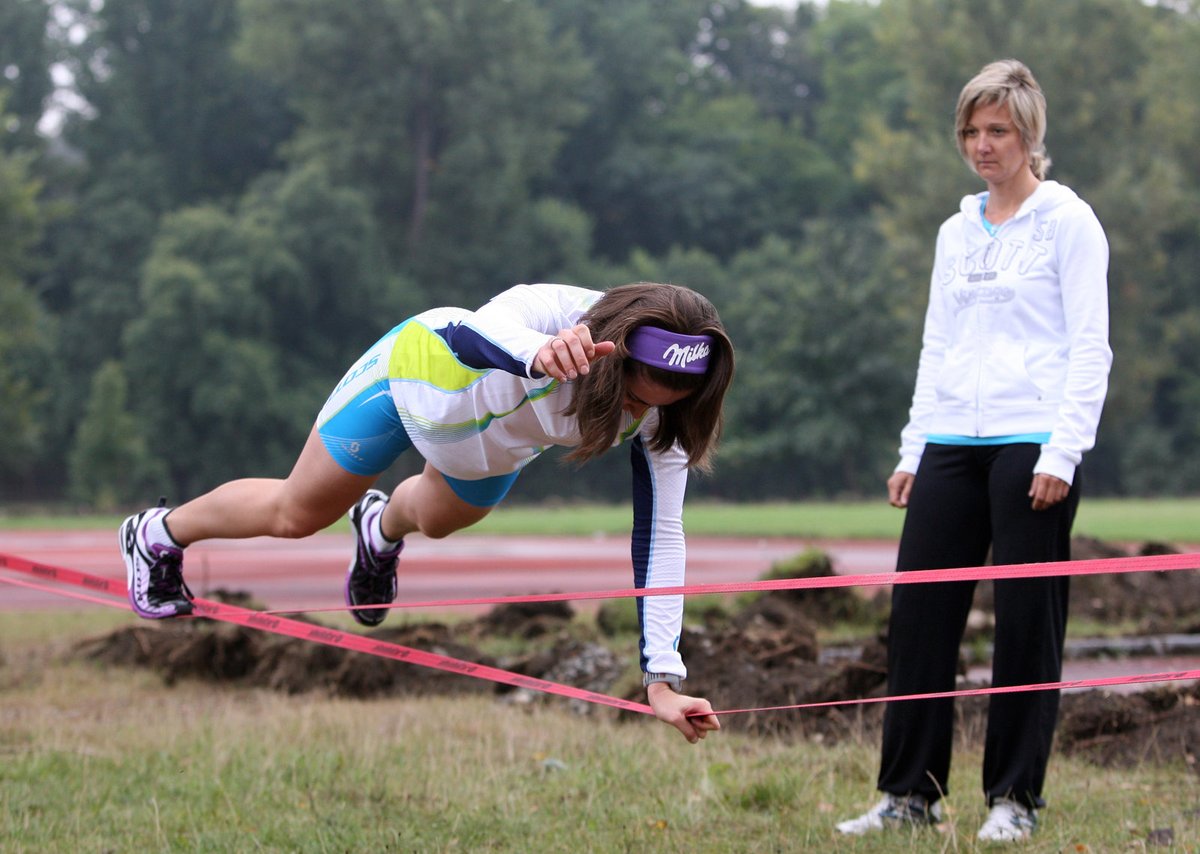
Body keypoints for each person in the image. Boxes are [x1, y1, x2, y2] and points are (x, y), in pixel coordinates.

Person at [119, 281, 734, 744]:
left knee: (436, 521)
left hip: (488, 449)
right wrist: (540, 354)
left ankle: (380, 528)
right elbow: (471, 331)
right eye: (629, 397)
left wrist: (661, 680)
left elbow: (660, 535)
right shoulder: (557, 314)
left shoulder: (665, 418)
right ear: (616, 358)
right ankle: (157, 534)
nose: (635, 416)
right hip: (407, 387)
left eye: (652, 407)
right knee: (296, 514)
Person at [836, 60, 1111, 842]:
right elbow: (937, 346)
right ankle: (907, 797)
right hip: (950, 443)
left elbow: (1090, 348)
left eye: (997, 131)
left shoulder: (1068, 222)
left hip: (1034, 444)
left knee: (1026, 622)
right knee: (919, 616)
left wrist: (1064, 450)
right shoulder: (955, 232)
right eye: (971, 131)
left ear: (1029, 136)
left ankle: (1014, 800)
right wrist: (913, 446)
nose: (982, 145)